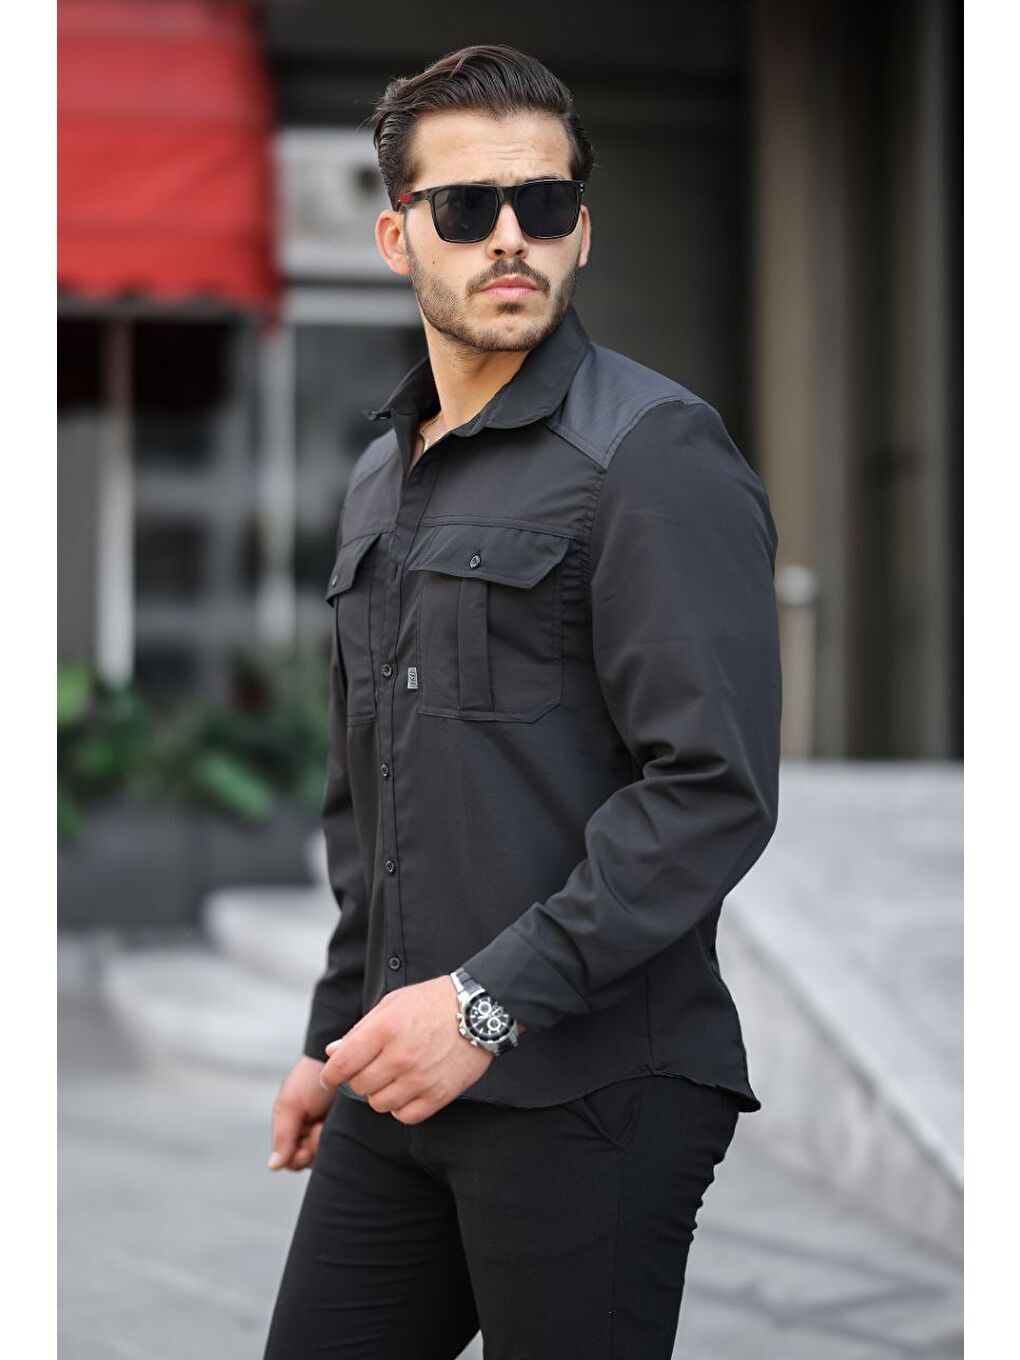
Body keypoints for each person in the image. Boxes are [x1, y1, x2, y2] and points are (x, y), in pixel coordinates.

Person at [262, 42, 782, 1360]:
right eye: (467, 206)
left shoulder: (651, 454)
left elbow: (710, 791)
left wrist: (486, 1004)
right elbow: (370, 796)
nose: (511, 237)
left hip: (592, 1091)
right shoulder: (383, 475)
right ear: (397, 235)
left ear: (581, 231)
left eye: (544, 204)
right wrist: (335, 1035)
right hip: (401, 1078)